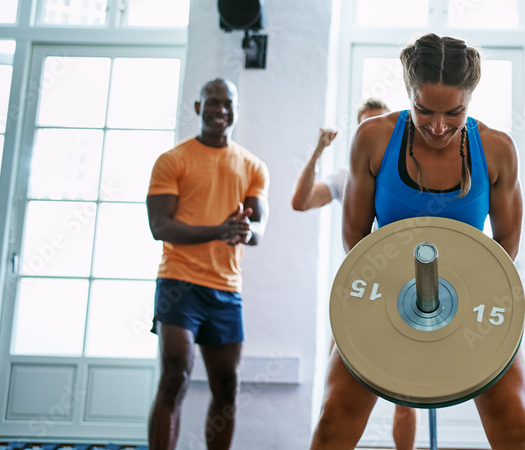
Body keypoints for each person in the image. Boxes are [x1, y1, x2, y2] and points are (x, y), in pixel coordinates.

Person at [310, 33, 525, 450]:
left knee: (516, 425)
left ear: (471, 98)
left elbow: (507, 244)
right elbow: (354, 235)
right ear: (408, 92)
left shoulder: (497, 149)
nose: (437, 125)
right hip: (384, 297)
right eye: (423, 110)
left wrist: (463, 298)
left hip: (472, 297)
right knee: (333, 419)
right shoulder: (373, 138)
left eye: (454, 113)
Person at [146, 78, 270, 450]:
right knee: (174, 376)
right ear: (198, 108)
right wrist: (218, 230)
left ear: (236, 108)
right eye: (212, 102)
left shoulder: (252, 166)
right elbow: (160, 226)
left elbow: (259, 229)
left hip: (226, 289)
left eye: (228, 103)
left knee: (227, 388)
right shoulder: (173, 160)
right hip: (178, 284)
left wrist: (243, 231)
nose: (221, 110)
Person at [291, 98, 419, 450]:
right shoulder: (345, 177)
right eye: (366, 124)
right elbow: (300, 202)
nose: (373, 130)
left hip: (403, 288)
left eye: (380, 122)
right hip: (360, 290)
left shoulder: (409, 176)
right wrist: (318, 151)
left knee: (406, 394)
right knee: (337, 395)